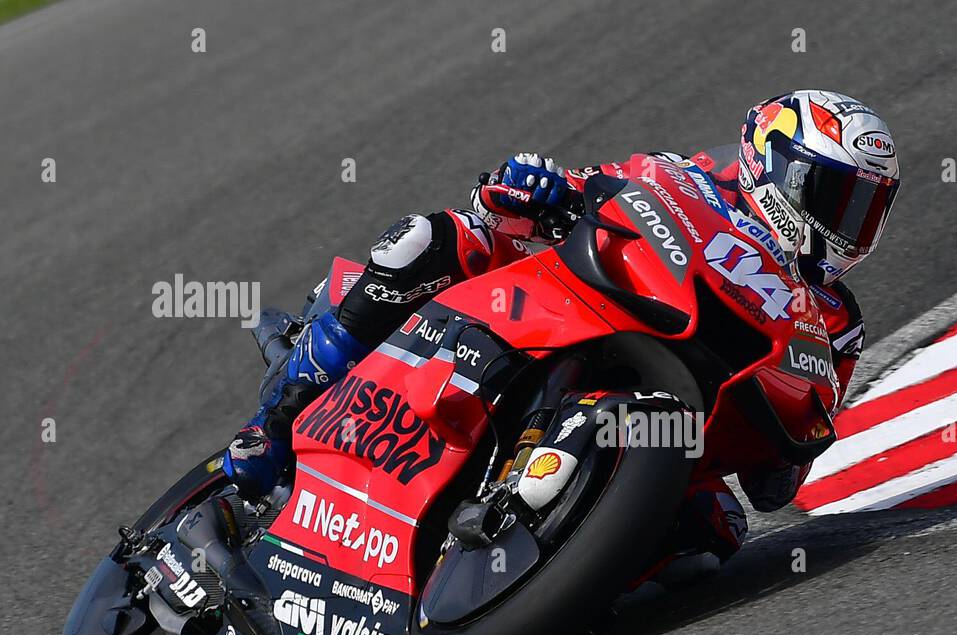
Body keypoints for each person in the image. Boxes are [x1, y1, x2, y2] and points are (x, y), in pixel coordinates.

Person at [222, 89, 900, 568]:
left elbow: (777, 486)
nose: (850, 222)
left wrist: (787, 444)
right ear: (778, 165)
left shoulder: (835, 324)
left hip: (674, 419)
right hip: (557, 310)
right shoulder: (682, 176)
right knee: (434, 240)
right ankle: (282, 414)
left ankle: (537, 589)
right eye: (837, 195)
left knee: (712, 537)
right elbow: (546, 196)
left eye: (868, 207)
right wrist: (532, 189)